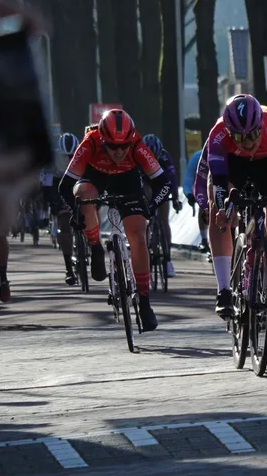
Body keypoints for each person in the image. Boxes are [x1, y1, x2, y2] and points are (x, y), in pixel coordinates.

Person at [59, 110, 174, 330]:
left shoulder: (138, 145)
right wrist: (75, 213)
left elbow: (164, 184)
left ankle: (144, 302)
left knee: (138, 235)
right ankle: (95, 248)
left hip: (127, 180)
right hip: (95, 177)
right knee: (83, 195)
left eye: (124, 146)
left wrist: (150, 208)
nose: (119, 151)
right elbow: (65, 185)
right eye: (112, 146)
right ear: (102, 140)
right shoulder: (90, 143)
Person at [200, 95, 267, 323]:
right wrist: (221, 208)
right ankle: (224, 291)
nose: (248, 142)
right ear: (229, 131)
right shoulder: (217, 134)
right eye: (239, 137)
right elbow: (219, 180)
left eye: (253, 134)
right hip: (233, 165)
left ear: (261, 126)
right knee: (218, 212)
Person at [142, 134, 183, 278]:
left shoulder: (165, 157)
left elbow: (171, 179)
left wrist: (176, 199)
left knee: (164, 219)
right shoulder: (138, 155)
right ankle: (145, 251)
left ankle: (167, 259)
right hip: (146, 183)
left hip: (161, 184)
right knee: (145, 196)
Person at [44, 132, 79, 285]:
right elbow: (46, 187)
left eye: (72, 155)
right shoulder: (51, 164)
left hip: (78, 188)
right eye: (64, 156)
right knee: (65, 223)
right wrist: (53, 204)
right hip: (59, 191)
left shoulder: (83, 158)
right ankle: (69, 269)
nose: (68, 159)